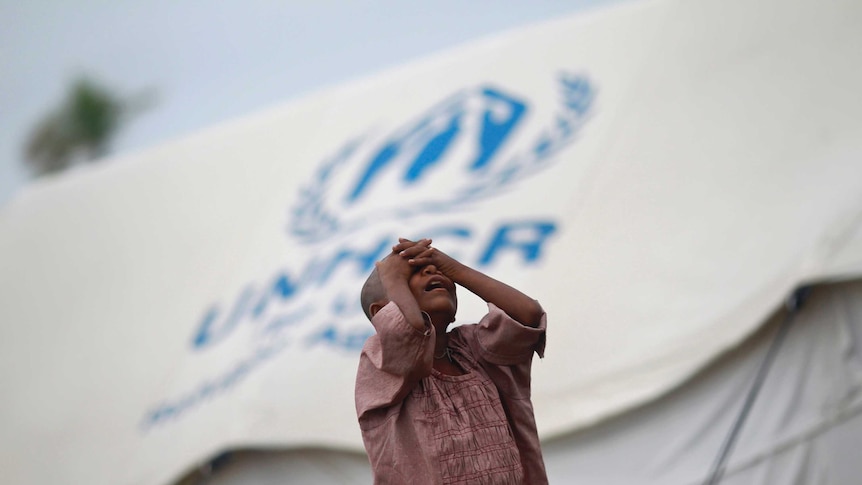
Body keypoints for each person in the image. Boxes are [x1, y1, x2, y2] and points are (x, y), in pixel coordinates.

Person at [355, 237, 548, 484]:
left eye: (437, 270)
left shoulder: (473, 347)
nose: (430, 269)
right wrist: (391, 275)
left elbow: (528, 316)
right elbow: (409, 332)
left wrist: (455, 268)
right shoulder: (377, 360)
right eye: (411, 272)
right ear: (381, 314)